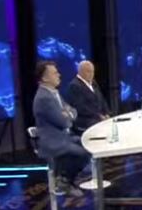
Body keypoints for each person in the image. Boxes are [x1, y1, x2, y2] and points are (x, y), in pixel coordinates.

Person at [33, 60, 88, 197]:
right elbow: (63, 122)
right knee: (82, 154)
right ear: (44, 78)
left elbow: (73, 111)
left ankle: (66, 179)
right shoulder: (44, 97)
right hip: (53, 141)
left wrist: (67, 114)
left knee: (87, 144)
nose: (59, 75)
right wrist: (67, 116)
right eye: (54, 73)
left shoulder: (53, 93)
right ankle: (64, 181)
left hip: (64, 137)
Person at [64, 60, 110, 135]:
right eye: (88, 71)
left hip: (98, 117)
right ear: (80, 71)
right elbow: (81, 107)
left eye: (93, 71)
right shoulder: (74, 86)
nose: (92, 74)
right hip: (85, 120)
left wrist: (106, 113)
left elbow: (101, 99)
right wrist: (99, 116)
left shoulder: (93, 83)